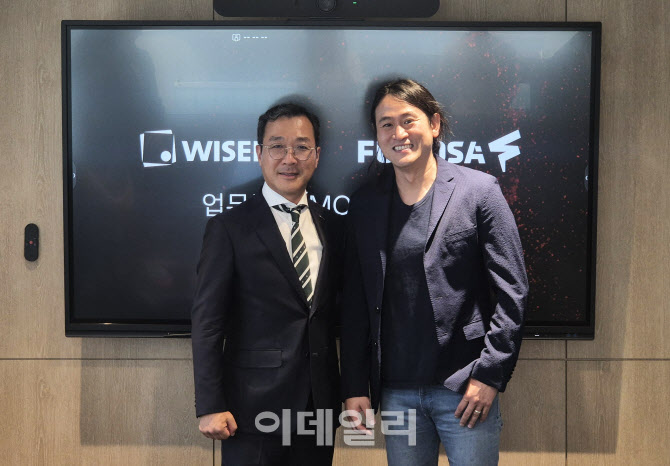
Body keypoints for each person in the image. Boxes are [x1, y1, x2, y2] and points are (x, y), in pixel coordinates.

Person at [340, 79, 528, 465]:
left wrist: (490, 374)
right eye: (386, 124)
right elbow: (356, 302)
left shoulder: (479, 191)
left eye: (408, 120)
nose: (398, 133)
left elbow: (513, 291)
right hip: (396, 393)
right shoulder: (365, 204)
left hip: (465, 385)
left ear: (435, 124)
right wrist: (355, 385)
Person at [191, 103, 342, 465]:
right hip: (251, 408)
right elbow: (207, 322)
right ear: (259, 154)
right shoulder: (229, 228)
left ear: (317, 155)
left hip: (319, 407)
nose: (290, 158)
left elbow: (347, 317)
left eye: (302, 147)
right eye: (277, 146)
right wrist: (210, 404)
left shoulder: (335, 227)